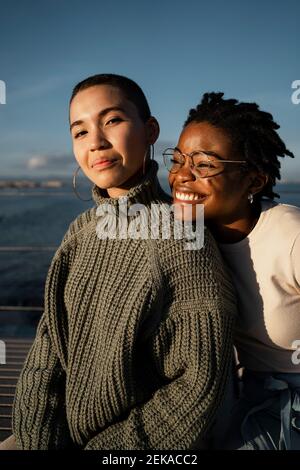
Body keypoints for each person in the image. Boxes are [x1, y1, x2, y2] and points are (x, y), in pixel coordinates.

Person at [10, 77, 237, 450]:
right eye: (79, 131)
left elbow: (198, 385)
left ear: (150, 131)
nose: (96, 141)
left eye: (112, 120)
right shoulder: (79, 232)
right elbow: (47, 353)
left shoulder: (182, 235)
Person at [165, 91, 300, 450]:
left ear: (254, 181)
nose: (181, 176)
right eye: (177, 160)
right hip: (247, 391)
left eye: (204, 164)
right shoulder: (191, 238)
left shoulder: (291, 234)